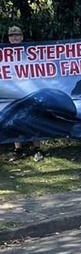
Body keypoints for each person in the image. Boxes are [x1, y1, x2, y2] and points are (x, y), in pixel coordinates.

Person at [7, 26, 44, 163]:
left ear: (22, 37)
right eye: (11, 35)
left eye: (17, 35)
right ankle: (18, 150)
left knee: (33, 120)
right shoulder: (4, 53)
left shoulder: (30, 52)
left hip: (30, 90)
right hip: (13, 92)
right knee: (15, 120)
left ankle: (37, 150)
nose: (14, 37)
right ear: (8, 38)